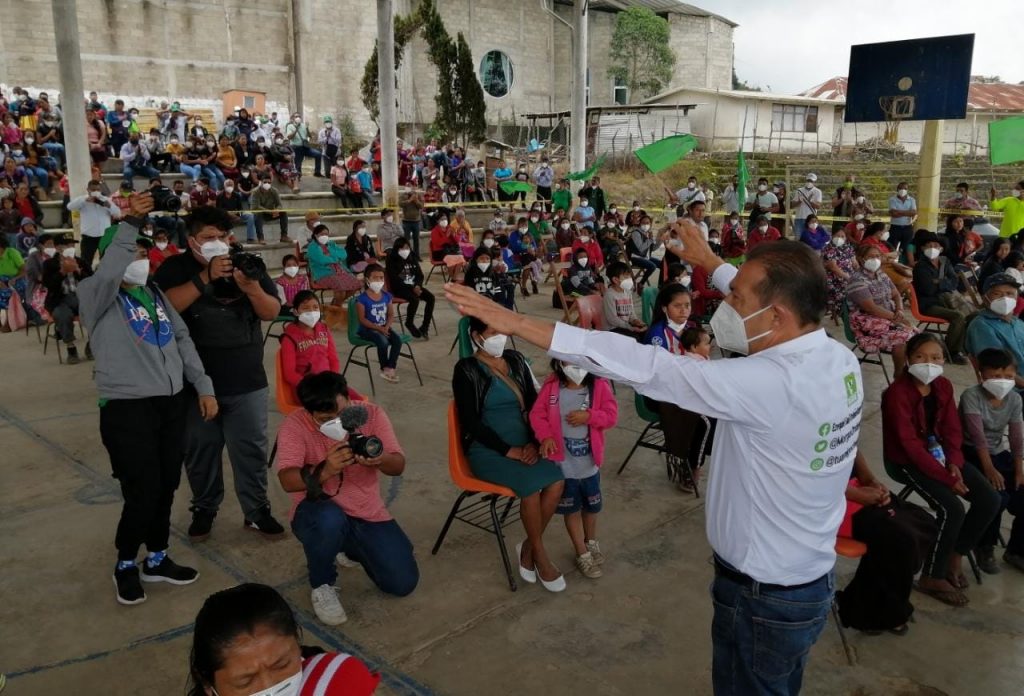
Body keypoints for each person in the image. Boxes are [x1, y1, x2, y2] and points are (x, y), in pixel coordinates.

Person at [444, 221, 865, 694]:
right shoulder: (836, 358)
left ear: (776, 317)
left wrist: (519, 323)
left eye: (738, 299)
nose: (726, 303)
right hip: (803, 580)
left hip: (761, 596)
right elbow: (768, 299)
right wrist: (710, 263)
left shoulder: (766, 383)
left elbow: (646, 364)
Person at [78, 202, 217, 605]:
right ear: (113, 255)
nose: (142, 258)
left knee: (168, 483)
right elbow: (108, 270)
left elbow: (183, 341)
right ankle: (125, 562)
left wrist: (203, 386)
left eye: (144, 252)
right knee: (143, 490)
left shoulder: (154, 292)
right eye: (134, 252)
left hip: (169, 404)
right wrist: (131, 224)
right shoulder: (96, 295)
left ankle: (156, 558)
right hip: (127, 409)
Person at [153, 205, 285, 542]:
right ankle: (205, 508)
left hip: (247, 380)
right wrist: (206, 277)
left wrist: (252, 287)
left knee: (251, 451)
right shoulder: (175, 268)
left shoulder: (245, 264)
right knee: (200, 451)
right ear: (192, 241)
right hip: (194, 385)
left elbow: (271, 311)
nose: (218, 243)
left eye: (223, 237)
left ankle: (256, 511)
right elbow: (166, 309)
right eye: (209, 238)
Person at [276, 372, 418, 624]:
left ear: (349, 400)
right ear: (309, 413)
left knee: (402, 582)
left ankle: (347, 545)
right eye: (326, 419)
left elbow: (398, 465)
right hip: (317, 512)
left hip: (366, 512)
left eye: (342, 414)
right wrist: (326, 469)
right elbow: (287, 480)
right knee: (328, 520)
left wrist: (380, 459)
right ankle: (322, 584)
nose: (338, 423)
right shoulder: (295, 425)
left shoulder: (371, 415)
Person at [882, 332, 1000, 606]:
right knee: (952, 508)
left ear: (944, 360)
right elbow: (909, 445)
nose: (928, 363)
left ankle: (955, 554)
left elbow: (951, 430)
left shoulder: (943, 386)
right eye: (921, 357)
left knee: (988, 499)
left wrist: (954, 463)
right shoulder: (896, 394)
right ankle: (931, 575)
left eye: (935, 357)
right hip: (908, 462)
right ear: (909, 360)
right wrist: (946, 478)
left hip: (942, 458)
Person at [452, 317, 567, 591]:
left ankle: (528, 546)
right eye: (493, 332)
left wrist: (532, 441)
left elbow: (534, 404)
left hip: (524, 442)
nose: (500, 338)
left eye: (503, 332)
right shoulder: (466, 369)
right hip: (488, 450)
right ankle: (539, 555)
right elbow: (471, 422)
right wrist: (508, 450)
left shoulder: (515, 360)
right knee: (529, 488)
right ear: (477, 336)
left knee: (557, 481)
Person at [188, 583, 380, 695]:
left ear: (297, 644)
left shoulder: (337, 682)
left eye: (282, 664)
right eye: (245, 682)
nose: (270, 687)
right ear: (207, 684)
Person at [530, 359, 618, 579]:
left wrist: (590, 416)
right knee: (572, 509)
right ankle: (581, 552)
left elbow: (611, 415)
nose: (575, 366)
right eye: (569, 361)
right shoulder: (552, 387)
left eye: (580, 360)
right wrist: (546, 436)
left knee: (592, 507)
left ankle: (591, 542)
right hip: (564, 466)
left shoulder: (599, 386)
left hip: (589, 466)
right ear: (559, 363)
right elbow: (537, 415)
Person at [835, 452, 937, 635]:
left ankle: (866, 605)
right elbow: (816, 480)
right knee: (899, 539)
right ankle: (877, 614)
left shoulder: (844, 424)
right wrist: (858, 494)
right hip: (835, 502)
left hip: (858, 491)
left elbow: (855, 451)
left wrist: (872, 481)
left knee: (923, 521)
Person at [960, 347, 1024, 574]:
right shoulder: (972, 396)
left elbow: (1016, 436)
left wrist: (1019, 469)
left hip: (998, 452)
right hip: (971, 453)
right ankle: (984, 546)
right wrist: (988, 469)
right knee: (997, 496)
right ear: (982, 374)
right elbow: (977, 438)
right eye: (996, 376)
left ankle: (1017, 550)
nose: (1003, 382)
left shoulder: (1014, 399)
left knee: (1021, 490)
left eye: (1008, 376)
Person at [845, 243, 916, 374]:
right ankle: (899, 376)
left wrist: (899, 310)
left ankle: (908, 375)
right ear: (861, 259)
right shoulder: (857, 280)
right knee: (904, 336)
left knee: (916, 337)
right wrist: (897, 319)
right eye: (871, 256)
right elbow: (871, 308)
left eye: (877, 256)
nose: (875, 259)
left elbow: (896, 294)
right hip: (867, 322)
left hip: (888, 318)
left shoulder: (881, 274)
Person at [912, 232, 970, 363]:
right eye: (928, 245)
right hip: (929, 305)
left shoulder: (945, 261)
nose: (932, 248)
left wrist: (938, 282)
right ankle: (950, 352)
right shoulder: (920, 266)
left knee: (973, 315)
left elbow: (955, 281)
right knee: (958, 317)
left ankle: (963, 348)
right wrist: (944, 282)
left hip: (947, 300)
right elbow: (928, 290)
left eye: (936, 245)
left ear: (941, 249)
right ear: (922, 248)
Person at [966, 273, 1024, 388]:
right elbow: (996, 369)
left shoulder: (1018, 323)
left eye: (1010, 294)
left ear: (1016, 298)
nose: (1005, 298)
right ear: (985, 298)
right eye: (997, 293)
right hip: (1011, 390)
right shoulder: (981, 326)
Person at [42, 236, 92, 363]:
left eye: (72, 245)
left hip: (80, 297)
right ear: (58, 248)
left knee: (96, 312)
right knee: (62, 315)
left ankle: (92, 345)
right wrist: (62, 272)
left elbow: (92, 281)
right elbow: (48, 284)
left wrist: (78, 272)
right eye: (66, 245)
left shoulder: (80, 261)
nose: (70, 248)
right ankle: (71, 348)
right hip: (59, 299)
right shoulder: (49, 264)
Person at [279, 290, 340, 390]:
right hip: (306, 388)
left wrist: (333, 380)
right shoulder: (289, 338)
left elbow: (333, 360)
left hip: (328, 383)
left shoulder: (324, 329)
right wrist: (310, 387)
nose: (311, 312)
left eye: (315, 307)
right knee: (338, 403)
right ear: (295, 311)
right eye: (305, 308)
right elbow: (289, 374)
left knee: (356, 400)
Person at [354, 264, 403, 383]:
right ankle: (384, 367)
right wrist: (378, 329)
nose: (379, 281)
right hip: (367, 329)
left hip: (383, 327)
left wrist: (386, 327)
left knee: (397, 341)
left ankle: (391, 367)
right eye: (375, 278)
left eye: (381, 278)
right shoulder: (361, 299)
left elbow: (391, 314)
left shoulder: (386, 296)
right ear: (367, 280)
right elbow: (362, 320)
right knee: (383, 342)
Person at [67, 179, 122, 271]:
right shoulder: (83, 200)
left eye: (97, 189)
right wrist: (85, 200)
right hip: (89, 236)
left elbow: (118, 214)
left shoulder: (106, 200)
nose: (95, 192)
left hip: (105, 236)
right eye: (93, 189)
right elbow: (70, 207)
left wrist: (109, 206)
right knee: (86, 261)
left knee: (107, 260)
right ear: (88, 190)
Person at [387, 237, 434, 339]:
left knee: (431, 298)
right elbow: (395, 279)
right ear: (397, 249)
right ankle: (409, 323)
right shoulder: (392, 260)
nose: (406, 250)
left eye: (407, 247)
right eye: (403, 248)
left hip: (414, 287)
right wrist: (412, 287)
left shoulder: (411, 257)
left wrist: (417, 285)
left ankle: (425, 327)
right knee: (414, 299)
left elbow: (419, 275)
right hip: (400, 288)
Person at [306, 225, 362, 304]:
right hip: (324, 275)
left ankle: (334, 305)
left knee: (357, 284)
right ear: (316, 235)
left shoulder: (331, 244)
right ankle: (337, 307)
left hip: (340, 272)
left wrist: (331, 252)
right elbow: (322, 260)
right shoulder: (312, 247)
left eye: (326, 234)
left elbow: (343, 254)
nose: (324, 236)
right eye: (322, 234)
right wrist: (335, 259)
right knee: (341, 287)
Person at [602, 261, 646, 340]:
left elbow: (631, 312)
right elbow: (612, 320)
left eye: (629, 276)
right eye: (626, 277)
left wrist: (635, 321)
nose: (629, 279)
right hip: (613, 329)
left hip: (626, 326)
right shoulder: (609, 295)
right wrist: (630, 327)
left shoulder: (627, 292)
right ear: (615, 279)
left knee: (646, 333)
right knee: (635, 339)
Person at [821, 226, 856, 322]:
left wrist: (858, 274)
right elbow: (833, 268)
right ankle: (844, 311)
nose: (840, 238)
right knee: (850, 288)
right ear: (832, 236)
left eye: (843, 236)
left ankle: (853, 312)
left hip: (849, 275)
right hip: (833, 278)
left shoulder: (848, 247)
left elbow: (855, 263)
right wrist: (848, 277)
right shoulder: (828, 248)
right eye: (837, 235)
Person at [888, 182, 918, 255]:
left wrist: (899, 212)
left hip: (908, 228)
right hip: (895, 228)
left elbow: (914, 213)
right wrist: (908, 213)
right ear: (897, 189)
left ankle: (904, 264)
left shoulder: (912, 200)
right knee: (892, 248)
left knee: (906, 249)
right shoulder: (892, 199)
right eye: (900, 188)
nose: (903, 190)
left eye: (905, 188)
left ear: (908, 190)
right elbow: (893, 214)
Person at [791, 174, 822, 239]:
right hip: (799, 218)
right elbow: (792, 205)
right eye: (808, 180)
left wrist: (810, 201)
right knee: (799, 238)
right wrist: (799, 201)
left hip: (811, 219)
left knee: (810, 238)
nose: (809, 182)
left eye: (811, 181)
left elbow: (818, 206)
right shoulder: (799, 190)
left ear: (814, 182)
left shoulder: (817, 191)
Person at [400, 188, 425, 257]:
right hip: (406, 221)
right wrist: (410, 200)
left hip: (416, 221)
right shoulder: (403, 195)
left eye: (410, 186)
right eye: (407, 186)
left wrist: (416, 200)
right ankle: (406, 255)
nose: (409, 188)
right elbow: (400, 204)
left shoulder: (418, 195)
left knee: (416, 240)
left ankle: (417, 256)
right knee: (406, 240)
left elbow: (421, 206)